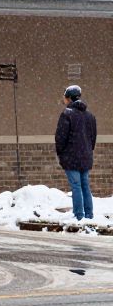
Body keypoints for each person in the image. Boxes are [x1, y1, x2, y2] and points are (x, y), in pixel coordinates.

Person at [55, 84, 97, 222]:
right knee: (85, 186)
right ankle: (89, 215)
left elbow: (61, 137)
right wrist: (87, 151)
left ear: (69, 99)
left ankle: (79, 215)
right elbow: (93, 138)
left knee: (76, 186)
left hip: (71, 158)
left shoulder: (67, 114)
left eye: (65, 97)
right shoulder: (90, 116)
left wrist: (61, 154)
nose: (64, 100)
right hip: (85, 157)